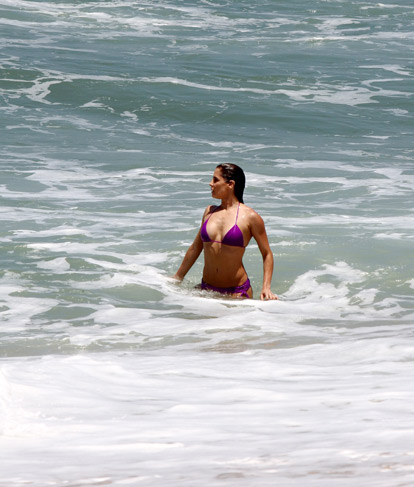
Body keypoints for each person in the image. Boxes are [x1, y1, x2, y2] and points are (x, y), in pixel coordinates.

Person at [173, 163, 277, 300]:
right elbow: (195, 248)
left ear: (230, 184)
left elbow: (267, 253)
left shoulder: (250, 217)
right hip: (206, 289)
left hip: (237, 292)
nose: (211, 184)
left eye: (215, 180)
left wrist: (266, 288)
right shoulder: (209, 212)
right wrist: (177, 278)